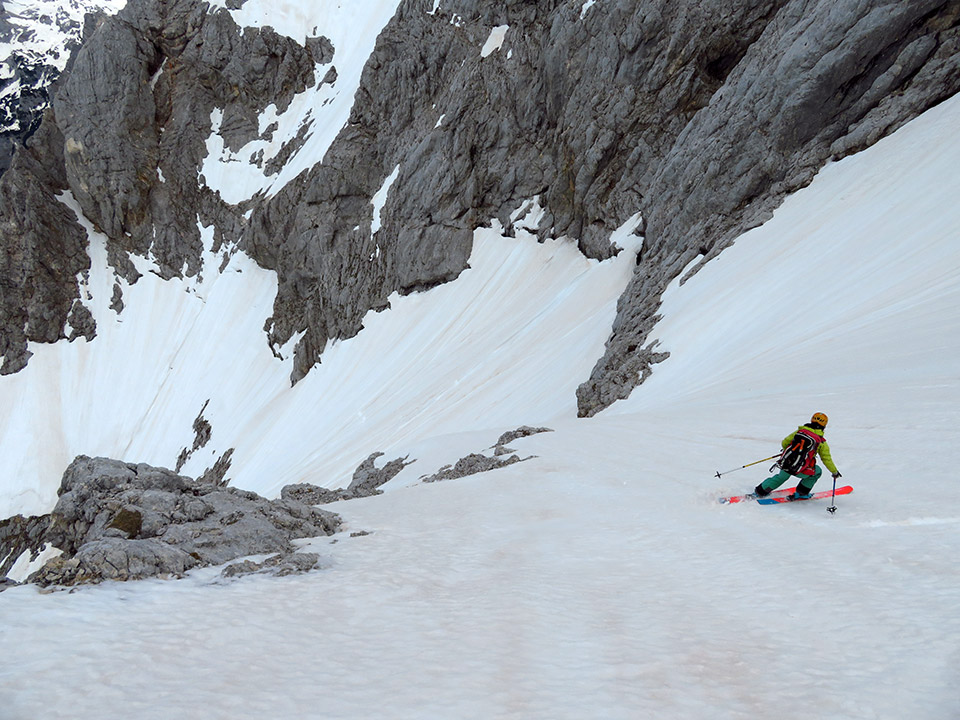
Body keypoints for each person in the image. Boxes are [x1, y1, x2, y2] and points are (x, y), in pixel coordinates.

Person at [754, 412, 841, 499]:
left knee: (781, 477)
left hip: (788, 462)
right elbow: (826, 459)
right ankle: (801, 493)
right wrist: (834, 472)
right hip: (802, 468)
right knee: (817, 471)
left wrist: (792, 452)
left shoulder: (799, 432)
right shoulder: (821, 442)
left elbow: (785, 443)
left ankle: (761, 491)